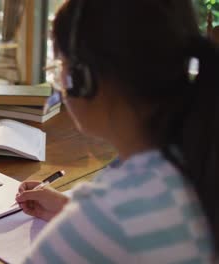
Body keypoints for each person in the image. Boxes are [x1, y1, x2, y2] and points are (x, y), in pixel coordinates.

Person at [15, 0, 218, 263]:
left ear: (84, 79)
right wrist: (71, 212)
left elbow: (120, 220)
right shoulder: (197, 159)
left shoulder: (109, 214)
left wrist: (87, 223)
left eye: (59, 67)